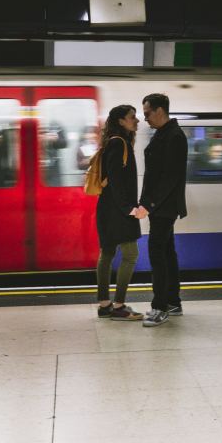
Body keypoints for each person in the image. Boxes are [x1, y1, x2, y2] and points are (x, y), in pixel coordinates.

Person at [137, 93, 188, 327]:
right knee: (167, 253)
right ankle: (173, 301)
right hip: (161, 206)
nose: (145, 118)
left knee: (157, 254)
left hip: (164, 207)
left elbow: (170, 177)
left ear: (159, 111)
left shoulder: (174, 136)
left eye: (147, 113)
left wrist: (150, 204)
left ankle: (160, 307)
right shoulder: (164, 134)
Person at [95, 105, 143, 321]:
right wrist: (129, 208)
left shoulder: (113, 142)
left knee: (107, 254)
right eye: (133, 117)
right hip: (117, 210)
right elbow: (115, 178)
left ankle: (105, 305)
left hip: (108, 207)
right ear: (121, 121)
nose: (137, 121)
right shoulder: (118, 143)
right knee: (131, 255)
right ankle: (119, 306)